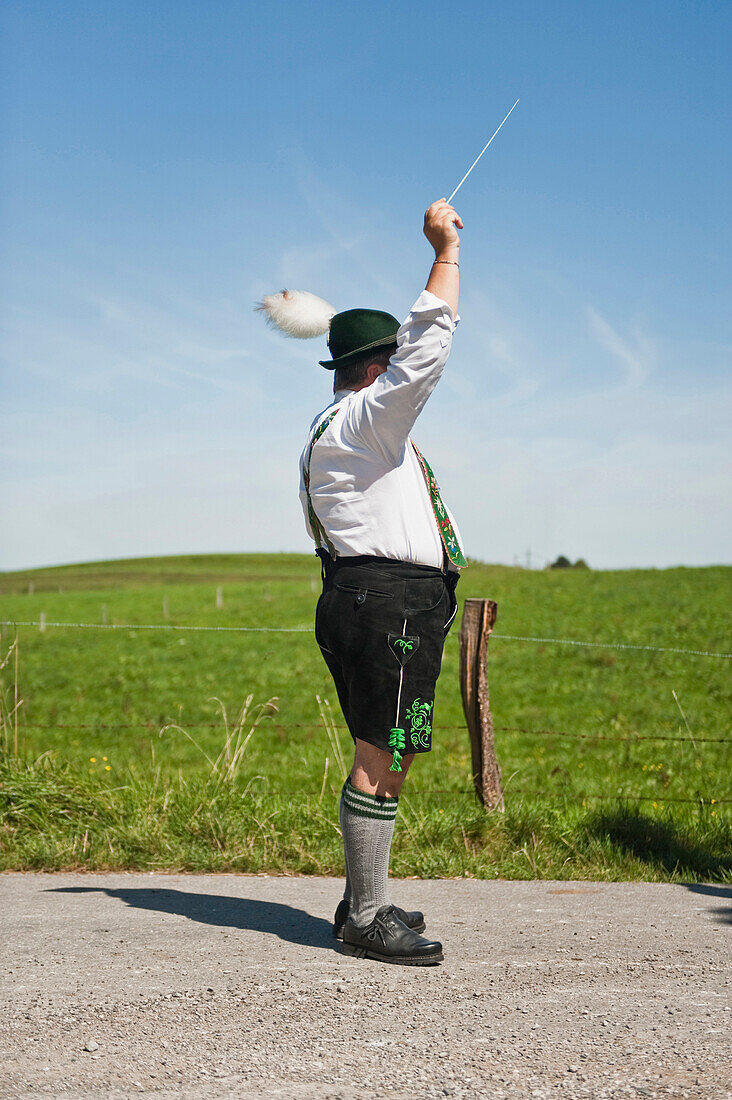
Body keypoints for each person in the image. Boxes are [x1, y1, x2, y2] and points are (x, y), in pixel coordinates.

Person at [298, 199, 466, 966]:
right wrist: (445, 256)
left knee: (385, 744)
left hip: (376, 602)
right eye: (389, 365)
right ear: (373, 370)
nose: (400, 378)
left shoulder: (339, 432)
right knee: (385, 749)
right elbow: (427, 354)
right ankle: (365, 916)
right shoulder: (365, 420)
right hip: (386, 604)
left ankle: (362, 898)